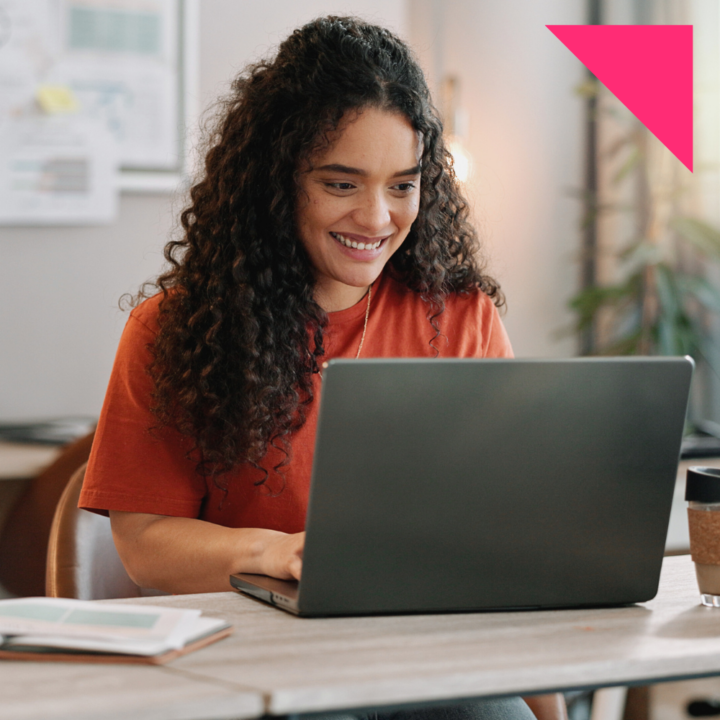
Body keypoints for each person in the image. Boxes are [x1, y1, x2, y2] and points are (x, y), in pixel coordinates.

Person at [79, 16, 566, 720]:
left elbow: (504, 543)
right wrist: (282, 555)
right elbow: (145, 544)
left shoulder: (459, 317)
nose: (376, 217)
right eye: (341, 183)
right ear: (279, 182)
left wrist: (546, 708)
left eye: (403, 185)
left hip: (428, 657)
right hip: (254, 661)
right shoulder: (175, 330)